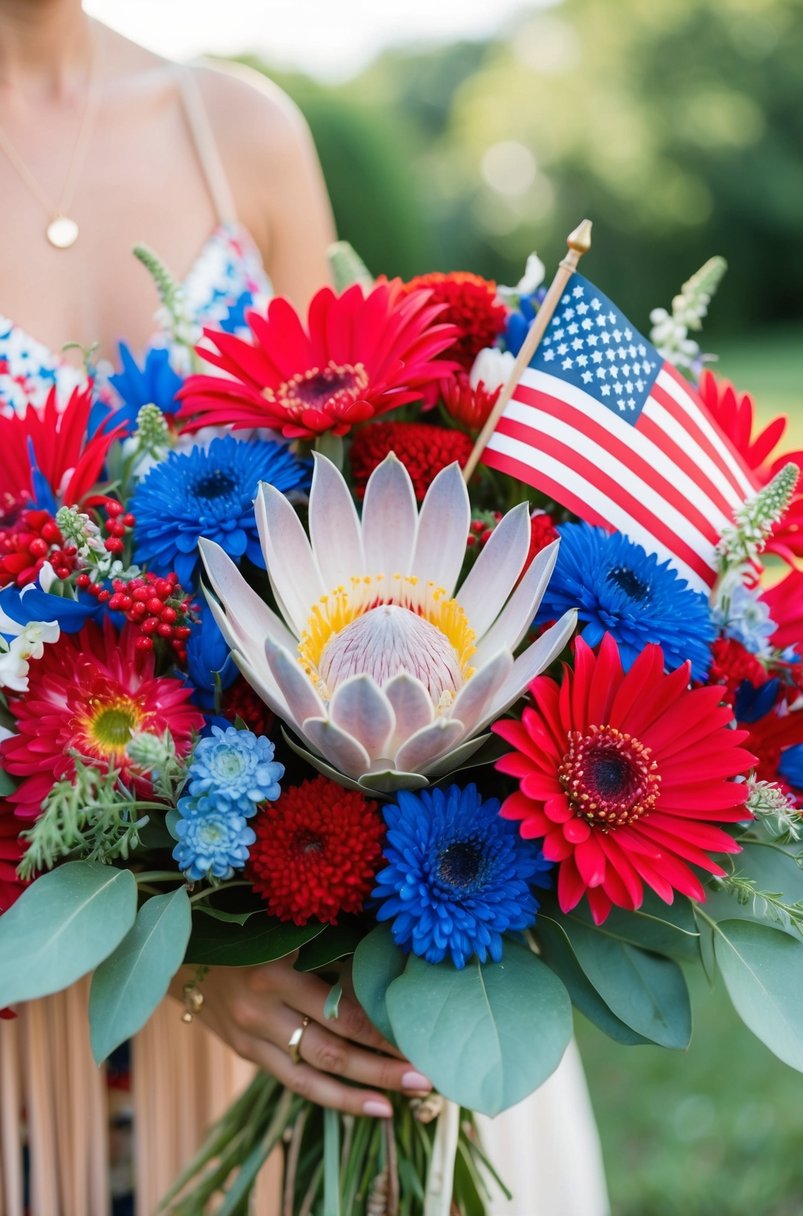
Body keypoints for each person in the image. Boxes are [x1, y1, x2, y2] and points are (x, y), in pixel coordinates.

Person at [0, 4, 609, 1214]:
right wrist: (184, 963)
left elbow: (353, 489)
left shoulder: (240, 130)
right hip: (44, 999)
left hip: (299, 955)